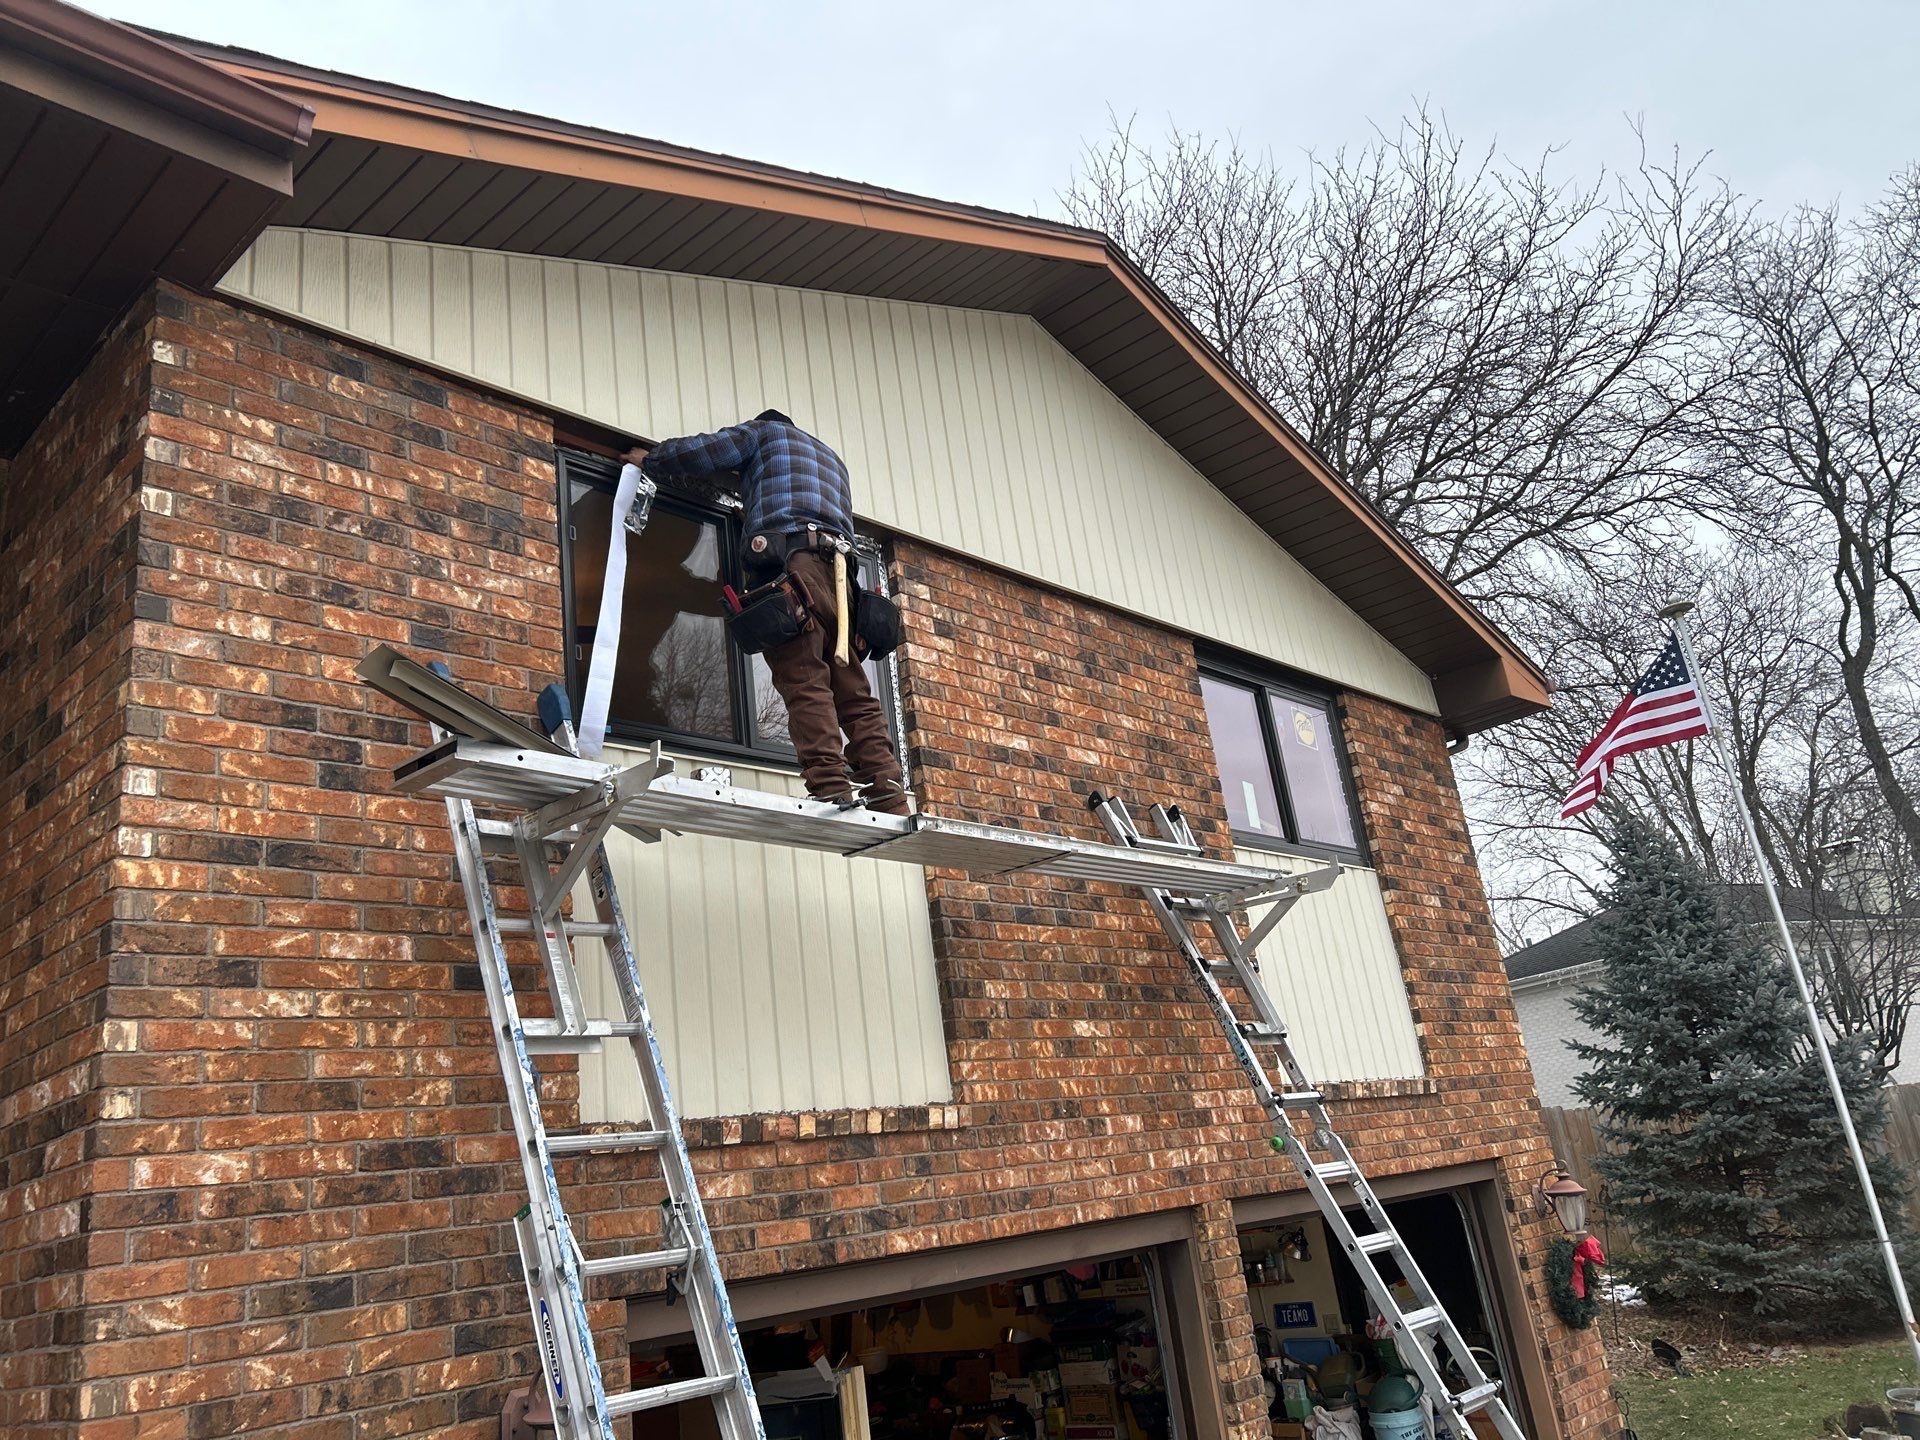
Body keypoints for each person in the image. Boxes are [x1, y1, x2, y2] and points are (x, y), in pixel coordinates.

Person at [623, 411, 911, 816]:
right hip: (844, 580)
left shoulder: (766, 434)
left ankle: (830, 785)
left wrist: (651, 461)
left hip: (793, 569)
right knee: (853, 689)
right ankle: (889, 790)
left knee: (805, 679)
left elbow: (707, 452)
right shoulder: (833, 462)